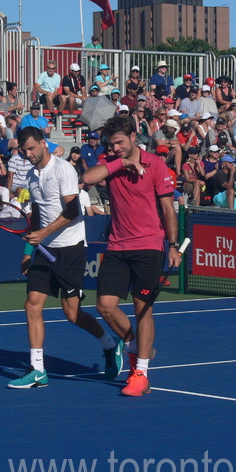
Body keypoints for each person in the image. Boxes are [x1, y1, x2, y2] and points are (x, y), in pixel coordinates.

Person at [5, 127, 123, 388]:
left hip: (70, 248)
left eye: (32, 148)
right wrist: (28, 251)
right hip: (44, 249)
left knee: (71, 313)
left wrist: (44, 233)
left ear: (44, 144)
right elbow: (37, 213)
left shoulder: (63, 170)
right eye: (24, 150)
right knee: (32, 304)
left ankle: (110, 343)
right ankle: (37, 370)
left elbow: (71, 210)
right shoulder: (31, 175)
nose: (28, 154)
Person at [82, 115, 182, 396]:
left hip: (149, 246)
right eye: (111, 144)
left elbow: (167, 209)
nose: (115, 148)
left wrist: (172, 245)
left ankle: (141, 373)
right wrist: (121, 162)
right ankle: (136, 346)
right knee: (105, 306)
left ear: (134, 136)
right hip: (117, 246)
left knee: (143, 309)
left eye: (120, 143)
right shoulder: (111, 161)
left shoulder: (156, 164)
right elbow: (86, 179)